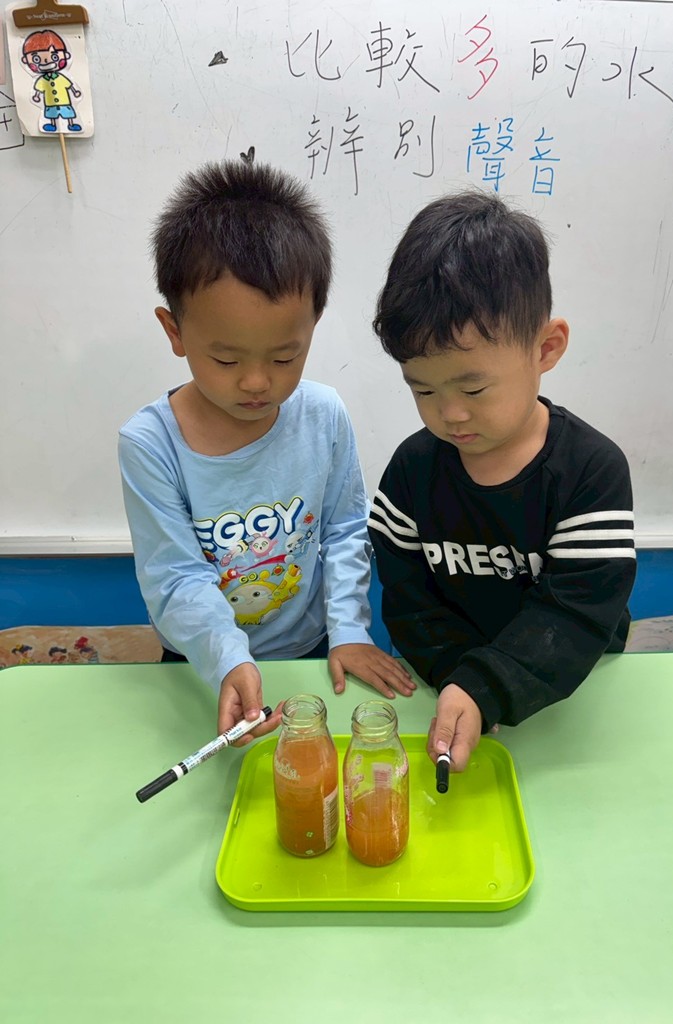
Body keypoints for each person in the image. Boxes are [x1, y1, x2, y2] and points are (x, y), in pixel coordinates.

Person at [119, 161, 414, 745]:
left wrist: (349, 630)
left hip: (311, 647)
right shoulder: (150, 444)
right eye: (226, 359)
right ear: (174, 331)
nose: (257, 382)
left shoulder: (323, 414)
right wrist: (229, 659)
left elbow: (345, 530)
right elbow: (176, 578)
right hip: (202, 660)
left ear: (313, 325)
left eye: (285, 357)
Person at [368, 190, 636, 774]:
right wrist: (460, 680)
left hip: (573, 686)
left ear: (546, 349)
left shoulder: (591, 471)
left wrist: (485, 684)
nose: (450, 414)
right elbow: (408, 598)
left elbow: (576, 615)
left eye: (473, 388)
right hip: (452, 691)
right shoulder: (412, 469)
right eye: (423, 390)